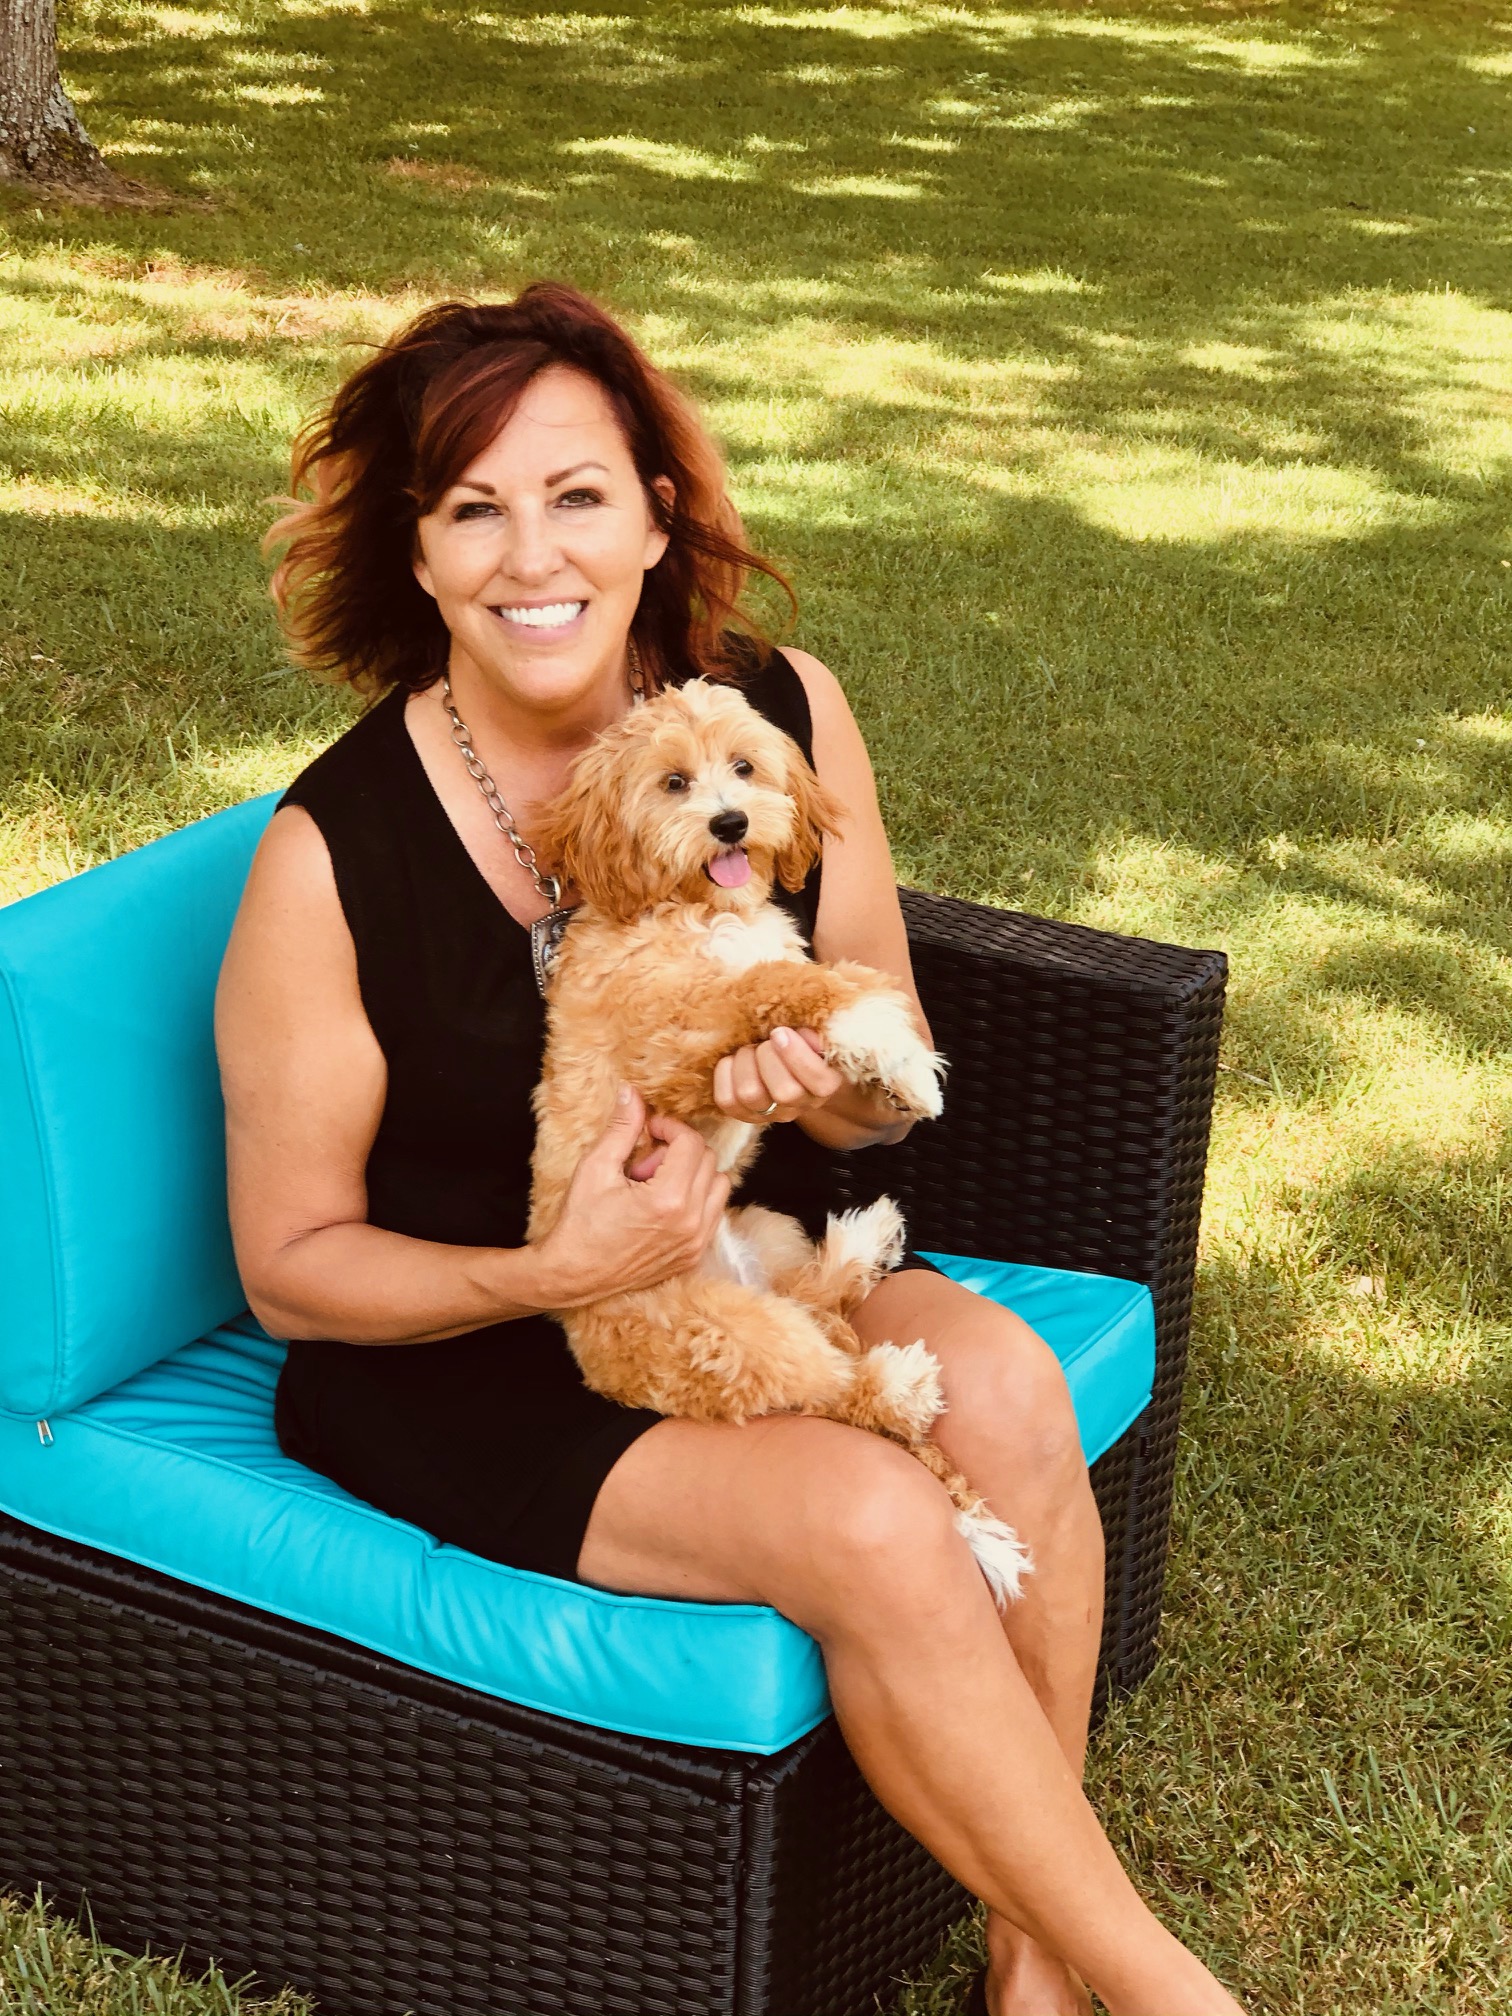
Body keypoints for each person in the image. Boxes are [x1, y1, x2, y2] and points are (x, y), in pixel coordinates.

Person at [215, 282, 1244, 2016]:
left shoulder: (778, 714)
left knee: (1006, 1397)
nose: (531, 555)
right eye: (472, 508)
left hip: (744, 1260)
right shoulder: (329, 858)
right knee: (875, 1517)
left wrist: (819, 1088)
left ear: (653, 514)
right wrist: (555, 1268)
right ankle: (1170, 1995)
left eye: (575, 494)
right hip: (477, 1349)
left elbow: (887, 1071)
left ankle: (1035, 1977)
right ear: (419, 552)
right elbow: (293, 1273)